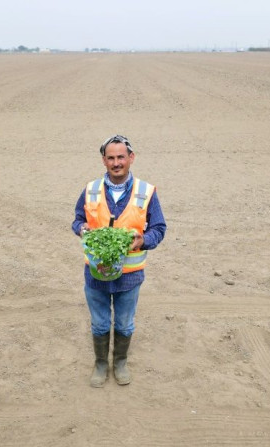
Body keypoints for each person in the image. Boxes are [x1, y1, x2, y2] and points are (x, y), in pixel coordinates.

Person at [71, 134, 167, 387]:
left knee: (125, 323)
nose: (116, 163)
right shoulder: (90, 189)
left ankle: (120, 361)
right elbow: (77, 220)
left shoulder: (146, 192)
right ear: (104, 160)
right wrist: (82, 228)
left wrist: (143, 240)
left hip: (130, 274)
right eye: (111, 158)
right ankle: (101, 363)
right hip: (96, 273)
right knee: (100, 323)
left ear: (131, 158)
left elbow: (159, 228)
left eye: (121, 157)